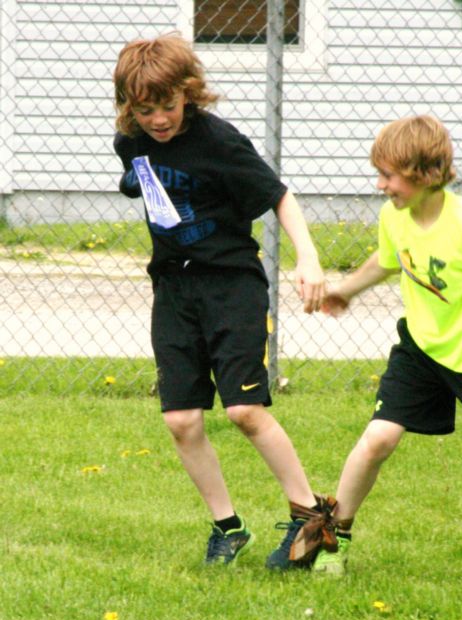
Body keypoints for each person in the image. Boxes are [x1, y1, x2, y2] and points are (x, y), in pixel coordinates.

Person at [112, 33, 327, 569]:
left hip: (231, 284)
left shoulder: (219, 141)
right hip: (174, 289)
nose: (158, 119)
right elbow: (141, 183)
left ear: (189, 92)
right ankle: (228, 527)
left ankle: (312, 521)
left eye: (167, 106)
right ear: (128, 107)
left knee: (244, 410)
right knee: (181, 420)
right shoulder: (132, 141)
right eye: (145, 109)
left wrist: (308, 258)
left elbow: (278, 195)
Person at [315, 115, 462, 592]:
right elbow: (387, 259)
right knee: (377, 439)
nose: (381, 185)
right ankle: (334, 538)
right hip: (421, 349)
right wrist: (345, 291)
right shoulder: (393, 217)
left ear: (424, 173)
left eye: (389, 176)